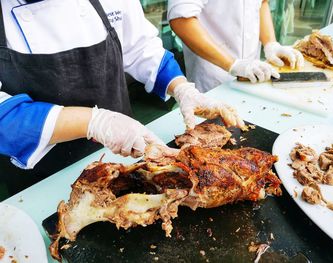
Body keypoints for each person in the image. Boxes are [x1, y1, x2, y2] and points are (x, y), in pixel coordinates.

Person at [0, 0, 244, 195]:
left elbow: (141, 49)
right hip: (40, 177)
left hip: (126, 155)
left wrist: (182, 88)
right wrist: (96, 122)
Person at [167, 0, 305, 92]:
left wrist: (270, 43)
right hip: (214, 77)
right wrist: (233, 64)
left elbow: (261, 3)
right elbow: (181, 20)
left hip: (253, 72)